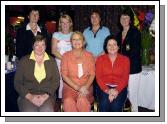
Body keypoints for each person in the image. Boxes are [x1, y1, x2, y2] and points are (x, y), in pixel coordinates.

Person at [14, 34, 60, 112]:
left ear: (45, 47)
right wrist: (30, 97)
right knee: (29, 112)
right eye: (37, 45)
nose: (40, 48)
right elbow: (17, 83)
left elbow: (56, 81)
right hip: (27, 95)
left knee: (47, 110)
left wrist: (45, 96)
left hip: (47, 95)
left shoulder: (51, 61)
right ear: (33, 46)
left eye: (43, 45)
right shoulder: (24, 61)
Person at [61, 31, 95, 112]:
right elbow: (64, 75)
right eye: (74, 39)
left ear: (83, 41)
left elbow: (92, 74)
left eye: (79, 39)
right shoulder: (65, 56)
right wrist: (77, 88)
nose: (76, 42)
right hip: (70, 87)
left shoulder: (89, 55)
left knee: (82, 100)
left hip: (86, 87)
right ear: (71, 42)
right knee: (68, 101)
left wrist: (85, 87)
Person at [96, 35, 130, 112]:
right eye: (109, 45)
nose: (112, 47)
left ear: (118, 47)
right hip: (103, 87)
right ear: (106, 47)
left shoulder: (125, 60)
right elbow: (98, 78)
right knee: (104, 103)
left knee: (116, 105)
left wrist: (116, 91)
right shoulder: (100, 59)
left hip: (120, 88)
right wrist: (108, 91)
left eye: (114, 44)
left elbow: (125, 79)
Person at [116, 9, 142, 112]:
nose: (124, 19)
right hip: (121, 70)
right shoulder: (118, 35)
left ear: (130, 19)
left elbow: (134, 52)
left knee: (132, 96)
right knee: (122, 94)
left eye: (126, 17)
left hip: (133, 70)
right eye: (122, 18)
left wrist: (122, 64)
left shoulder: (135, 33)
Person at [83, 9, 110, 102]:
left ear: (100, 18)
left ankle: (100, 104)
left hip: (102, 61)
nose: (94, 19)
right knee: (90, 84)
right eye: (92, 17)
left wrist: (97, 57)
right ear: (90, 19)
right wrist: (90, 58)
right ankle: (91, 104)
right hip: (88, 62)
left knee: (100, 84)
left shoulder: (105, 30)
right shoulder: (86, 31)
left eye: (96, 17)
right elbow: (82, 47)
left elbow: (108, 46)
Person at [51, 14, 73, 99]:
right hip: (60, 62)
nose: (65, 24)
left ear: (70, 23)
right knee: (61, 81)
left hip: (72, 61)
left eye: (67, 22)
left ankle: (70, 98)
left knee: (72, 80)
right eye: (62, 22)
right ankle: (61, 100)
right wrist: (65, 60)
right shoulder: (56, 34)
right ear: (60, 24)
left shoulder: (74, 34)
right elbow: (53, 51)